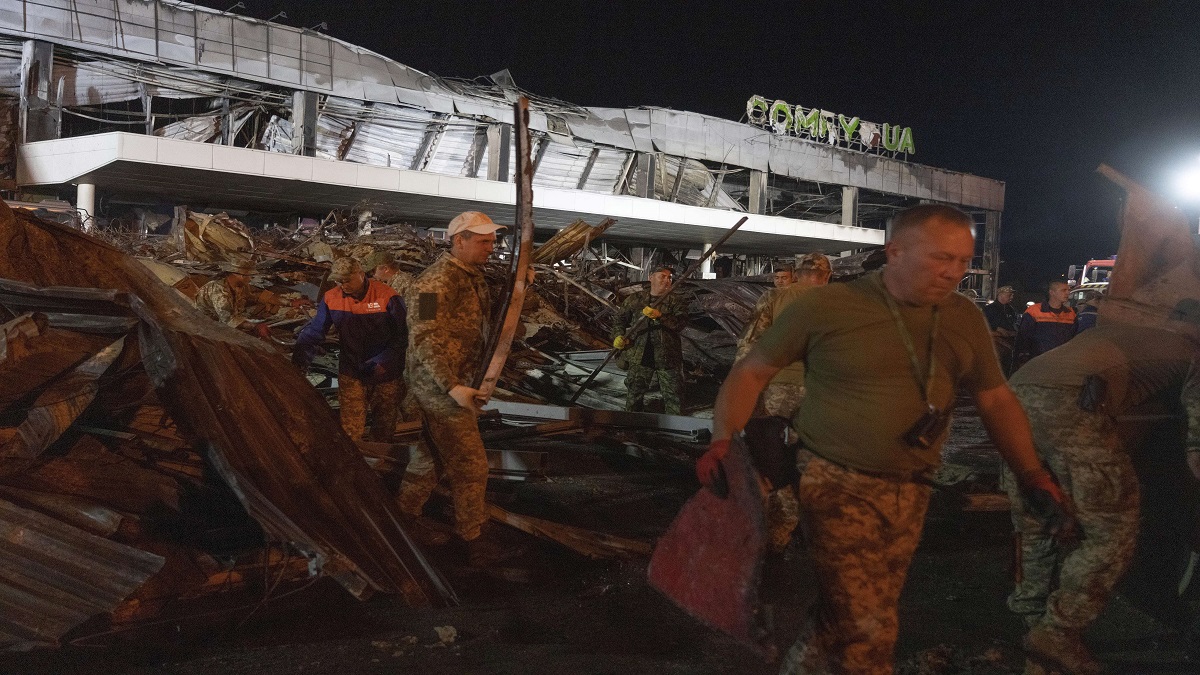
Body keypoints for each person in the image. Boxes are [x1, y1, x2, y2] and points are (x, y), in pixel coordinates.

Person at [695, 204, 1075, 675]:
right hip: (834, 482)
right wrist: (723, 441)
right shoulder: (826, 307)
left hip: (912, 485)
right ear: (895, 251)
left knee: (845, 617)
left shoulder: (963, 318)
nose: (954, 272)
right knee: (867, 630)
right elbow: (750, 372)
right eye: (941, 257)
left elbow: (995, 401)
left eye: (963, 260)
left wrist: (1033, 473)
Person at [1005, 324, 1200, 674]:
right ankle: (1057, 634)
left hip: (1015, 392)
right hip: (1071, 400)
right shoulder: (1192, 348)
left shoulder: (1122, 330)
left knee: (1038, 515)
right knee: (1113, 531)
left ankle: (1031, 617)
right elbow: (1197, 423)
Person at [396, 211, 517, 565]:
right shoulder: (431, 284)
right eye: (483, 241)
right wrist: (452, 387)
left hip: (454, 384)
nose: (491, 247)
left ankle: (403, 520)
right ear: (459, 240)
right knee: (471, 465)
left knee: (428, 460)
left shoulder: (470, 277)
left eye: (493, 241)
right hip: (437, 389)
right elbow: (423, 338)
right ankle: (471, 537)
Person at [735, 252, 832, 553]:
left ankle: (776, 533)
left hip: (777, 390)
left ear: (798, 273)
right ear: (828, 276)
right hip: (822, 393)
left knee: (772, 461)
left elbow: (750, 345)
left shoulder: (773, 298)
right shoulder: (841, 303)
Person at [293, 257, 406, 443]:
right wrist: (299, 363)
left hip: (385, 374)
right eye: (338, 280)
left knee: (384, 428)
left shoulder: (387, 296)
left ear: (361, 274)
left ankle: (379, 464)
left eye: (347, 280)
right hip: (351, 371)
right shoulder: (331, 298)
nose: (342, 285)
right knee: (350, 431)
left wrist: (384, 360)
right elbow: (315, 332)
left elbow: (403, 335)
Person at [611, 265, 689, 414]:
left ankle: (675, 431)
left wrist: (660, 317)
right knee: (634, 394)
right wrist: (618, 336)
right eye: (662, 276)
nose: (667, 280)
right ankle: (630, 429)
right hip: (640, 355)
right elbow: (619, 321)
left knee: (674, 396)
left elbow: (680, 324)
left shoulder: (676, 301)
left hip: (668, 357)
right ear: (651, 277)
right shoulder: (636, 299)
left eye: (669, 278)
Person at [195, 258, 272, 339]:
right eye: (249, 276)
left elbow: (251, 297)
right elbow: (228, 320)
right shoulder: (219, 291)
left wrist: (270, 299)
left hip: (227, 317)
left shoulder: (240, 285)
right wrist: (255, 327)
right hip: (208, 324)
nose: (250, 279)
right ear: (240, 275)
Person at [1016, 281, 1076, 365]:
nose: (1067, 293)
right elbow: (1023, 337)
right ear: (1052, 292)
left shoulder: (1071, 313)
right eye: (1063, 290)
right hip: (1038, 361)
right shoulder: (1034, 311)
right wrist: (1023, 357)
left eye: (1068, 290)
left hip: (1062, 362)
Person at [984, 285, 1020, 373]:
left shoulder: (1011, 310)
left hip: (1009, 341)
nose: (1012, 297)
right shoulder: (990, 309)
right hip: (995, 342)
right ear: (1001, 294)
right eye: (1009, 295)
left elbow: (1015, 323)